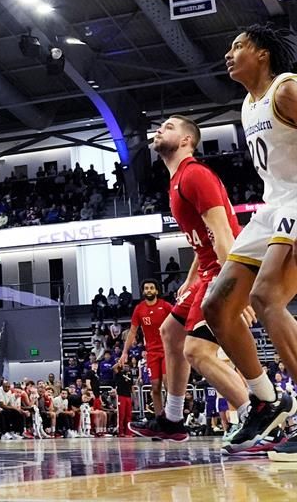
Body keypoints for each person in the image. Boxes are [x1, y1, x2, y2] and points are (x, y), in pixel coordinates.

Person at [202, 25, 297, 461]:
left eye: (238, 44)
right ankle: (266, 399)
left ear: (262, 54)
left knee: (267, 298)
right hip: (273, 205)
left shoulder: (286, 89)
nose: (229, 52)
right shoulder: (247, 103)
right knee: (217, 306)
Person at [128, 116, 250, 443]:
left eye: (168, 127)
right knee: (170, 332)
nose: (159, 131)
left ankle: (260, 419)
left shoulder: (195, 175)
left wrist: (234, 288)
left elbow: (224, 232)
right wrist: (192, 276)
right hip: (208, 271)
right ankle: (172, 418)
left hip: (223, 270)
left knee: (197, 352)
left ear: (186, 140)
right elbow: (206, 236)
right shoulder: (178, 180)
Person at [117, 279, 171, 422]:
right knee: (155, 387)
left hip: (167, 351)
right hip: (151, 352)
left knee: (167, 383)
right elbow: (132, 331)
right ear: (143, 291)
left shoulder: (165, 306)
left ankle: (173, 418)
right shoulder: (139, 309)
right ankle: (160, 419)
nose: (149, 290)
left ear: (156, 291)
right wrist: (124, 352)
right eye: (146, 288)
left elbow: (179, 321)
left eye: (151, 288)